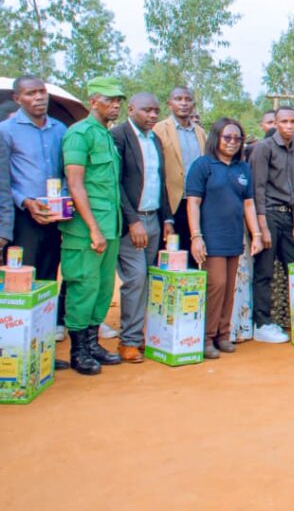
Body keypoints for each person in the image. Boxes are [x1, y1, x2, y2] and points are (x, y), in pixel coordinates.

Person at [0, 75, 71, 357]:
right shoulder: (6, 130)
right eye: (31, 93)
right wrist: (25, 201)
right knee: (21, 282)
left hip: (54, 217)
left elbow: (66, 171)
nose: (39, 97)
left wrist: (62, 198)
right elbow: (3, 180)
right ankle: (16, 351)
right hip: (23, 218)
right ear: (17, 99)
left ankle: (42, 354)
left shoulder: (60, 129)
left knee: (48, 280)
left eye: (42, 91)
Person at [60, 77, 126, 375]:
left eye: (118, 100)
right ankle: (78, 351)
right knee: (83, 286)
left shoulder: (106, 136)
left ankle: (92, 344)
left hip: (110, 225)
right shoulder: (79, 134)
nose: (115, 105)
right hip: (86, 229)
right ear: (93, 101)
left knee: (102, 288)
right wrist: (93, 229)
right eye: (109, 99)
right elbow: (76, 184)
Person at [186, 118, 264, 359]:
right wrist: (196, 236)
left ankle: (223, 334)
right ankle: (206, 338)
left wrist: (256, 234)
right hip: (211, 236)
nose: (232, 142)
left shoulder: (243, 168)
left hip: (234, 236)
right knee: (216, 285)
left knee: (230, 287)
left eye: (237, 138)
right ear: (216, 138)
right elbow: (193, 202)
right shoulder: (202, 165)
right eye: (227, 137)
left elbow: (249, 204)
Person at [110, 93, 175, 363]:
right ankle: (128, 341)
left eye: (156, 111)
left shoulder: (155, 139)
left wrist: (167, 219)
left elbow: (160, 182)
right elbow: (116, 184)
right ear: (131, 109)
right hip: (132, 221)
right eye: (147, 110)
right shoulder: (119, 136)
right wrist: (132, 220)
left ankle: (141, 335)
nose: (153, 115)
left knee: (147, 278)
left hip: (154, 219)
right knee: (135, 278)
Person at [251, 106, 294, 344]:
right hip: (269, 215)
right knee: (265, 270)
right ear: (275, 123)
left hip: (288, 217)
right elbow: (258, 188)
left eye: (293, 121)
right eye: (284, 121)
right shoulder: (264, 148)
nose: (289, 126)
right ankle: (261, 323)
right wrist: (262, 227)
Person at [153, 86, 207, 267]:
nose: (184, 103)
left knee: (192, 257)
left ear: (193, 104)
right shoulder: (159, 129)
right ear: (170, 103)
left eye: (188, 99)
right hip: (170, 203)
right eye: (178, 99)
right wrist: (166, 214)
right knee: (168, 257)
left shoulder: (200, 132)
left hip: (195, 202)